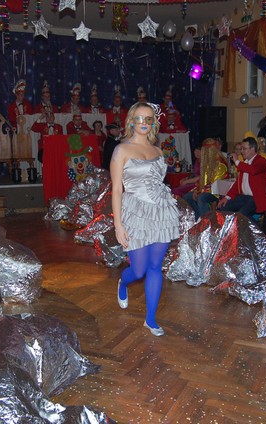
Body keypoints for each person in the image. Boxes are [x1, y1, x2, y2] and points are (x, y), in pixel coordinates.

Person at [111, 102, 179, 337]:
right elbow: (117, 190)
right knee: (138, 270)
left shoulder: (158, 151)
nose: (143, 123)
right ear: (131, 121)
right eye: (139, 118)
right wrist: (118, 225)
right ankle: (123, 282)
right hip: (135, 213)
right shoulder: (121, 150)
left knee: (155, 266)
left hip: (160, 213)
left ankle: (150, 319)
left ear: (153, 123)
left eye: (148, 119)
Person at [217, 136, 266, 221]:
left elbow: (253, 170)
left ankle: (256, 228)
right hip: (244, 197)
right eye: (241, 149)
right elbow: (238, 184)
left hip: (256, 198)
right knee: (222, 207)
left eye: (244, 149)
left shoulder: (261, 161)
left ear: (252, 149)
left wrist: (236, 161)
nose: (241, 151)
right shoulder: (245, 164)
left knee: (241, 215)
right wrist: (226, 197)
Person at [182, 138, 230, 219]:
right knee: (187, 197)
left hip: (217, 192)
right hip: (206, 189)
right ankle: (199, 217)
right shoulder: (207, 162)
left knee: (201, 198)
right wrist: (197, 190)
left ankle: (206, 221)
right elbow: (203, 180)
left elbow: (214, 185)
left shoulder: (220, 164)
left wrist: (199, 192)